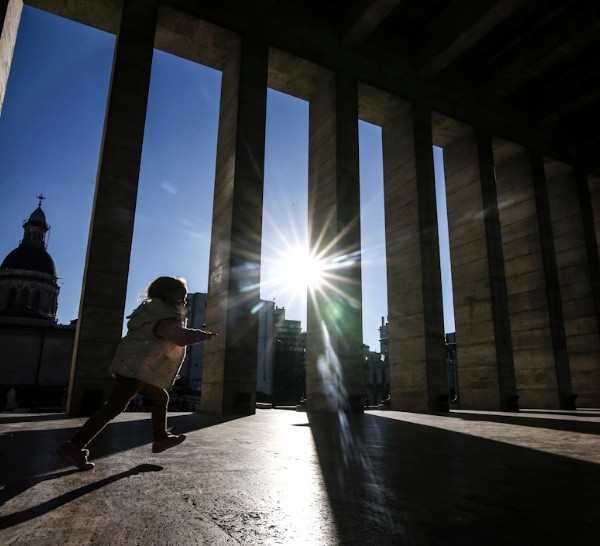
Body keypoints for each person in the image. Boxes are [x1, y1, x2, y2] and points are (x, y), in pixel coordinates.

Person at [58, 276, 215, 470]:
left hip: (135, 368)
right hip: (137, 370)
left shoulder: (150, 311)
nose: (182, 302)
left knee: (160, 397)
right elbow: (180, 337)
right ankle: (74, 445)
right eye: (180, 298)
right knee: (113, 407)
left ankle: (161, 438)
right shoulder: (165, 316)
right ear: (169, 296)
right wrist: (204, 335)